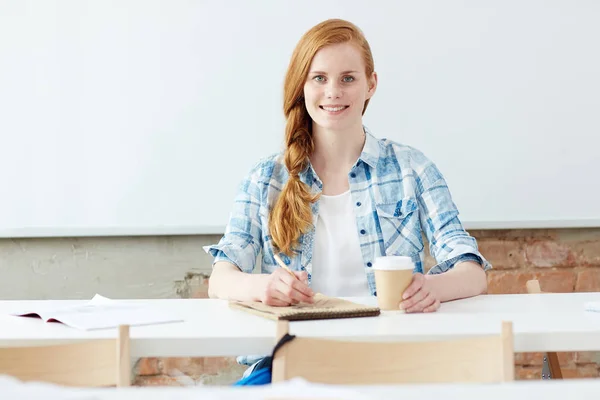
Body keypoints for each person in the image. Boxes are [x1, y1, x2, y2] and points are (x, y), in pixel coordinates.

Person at [206, 18, 491, 379]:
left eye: (348, 78)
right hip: (293, 361)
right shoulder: (266, 178)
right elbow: (221, 278)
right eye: (319, 78)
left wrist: (433, 287)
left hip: (394, 361)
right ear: (302, 85)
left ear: (371, 84)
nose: (333, 92)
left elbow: (472, 272)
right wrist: (264, 286)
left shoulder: (411, 169)